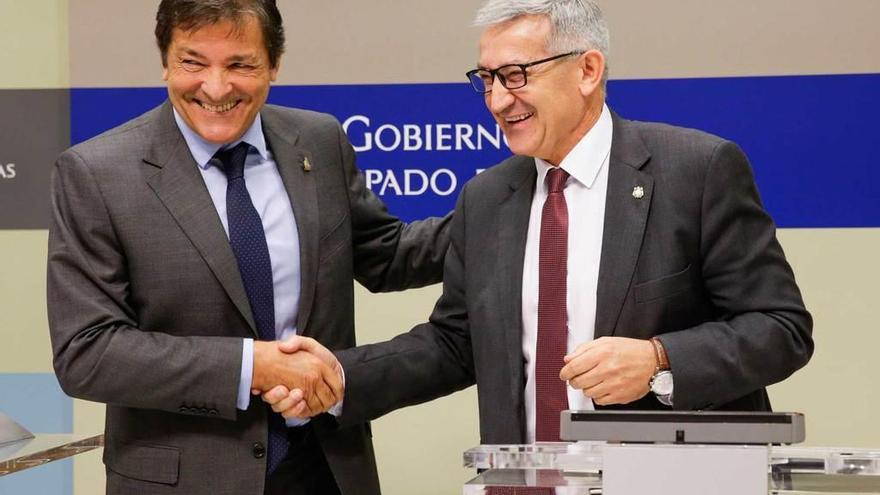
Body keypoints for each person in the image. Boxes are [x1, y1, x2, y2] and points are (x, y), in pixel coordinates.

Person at [265, 0, 813, 448]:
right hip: (526, 481)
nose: (498, 100)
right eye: (486, 79)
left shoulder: (696, 171)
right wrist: (341, 376)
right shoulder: (489, 197)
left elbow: (781, 328)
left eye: (516, 76)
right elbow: (456, 343)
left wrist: (659, 359)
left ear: (587, 70)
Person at [46, 1, 450, 494]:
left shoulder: (318, 141)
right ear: (165, 61)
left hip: (325, 470)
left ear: (274, 65)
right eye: (193, 62)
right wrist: (254, 367)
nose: (215, 88)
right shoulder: (97, 174)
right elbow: (87, 353)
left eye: (240, 64)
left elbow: (387, 256)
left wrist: (513, 204)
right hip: (183, 481)